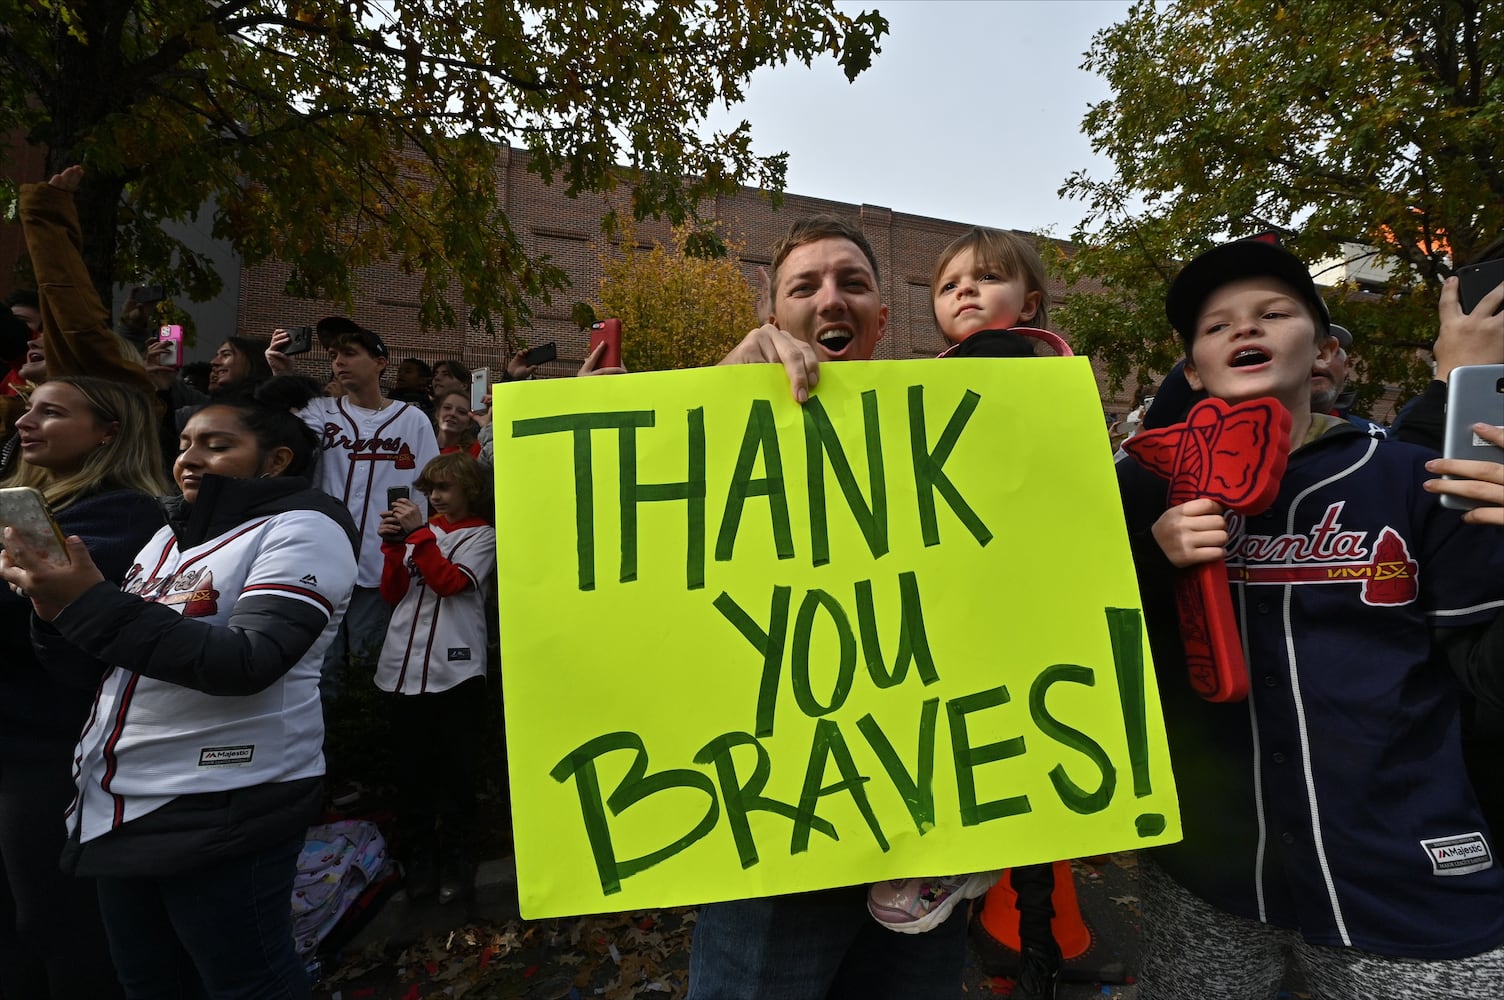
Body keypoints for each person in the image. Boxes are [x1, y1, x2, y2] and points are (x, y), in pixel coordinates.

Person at [1119, 237, 1504, 998]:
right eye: (1217, 325)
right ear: (1192, 371)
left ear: (1325, 348)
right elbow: (1075, 633)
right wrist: (1151, 562)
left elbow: (1483, 672)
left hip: (1405, 884)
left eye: (1273, 312)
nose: (1245, 330)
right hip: (1213, 879)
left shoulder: (1416, 476)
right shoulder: (1146, 487)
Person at [0, 377, 358, 1000]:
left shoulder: (304, 529)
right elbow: (98, 669)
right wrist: (53, 608)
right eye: (185, 443)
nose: (190, 458)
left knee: (247, 983)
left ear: (275, 461)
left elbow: (249, 661)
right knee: (149, 982)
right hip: (123, 802)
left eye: (216, 446)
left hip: (225, 802)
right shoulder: (168, 536)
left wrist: (90, 603)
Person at [688, 216, 970, 1000]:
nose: (830, 298)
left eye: (853, 282)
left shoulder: (953, 428)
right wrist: (719, 392)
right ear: (774, 317)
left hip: (924, 832)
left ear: (884, 316)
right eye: (804, 286)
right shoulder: (725, 402)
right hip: (776, 827)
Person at [864, 227, 1067, 1000]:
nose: (966, 293)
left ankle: (963, 850)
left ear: (1031, 301)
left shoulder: (1012, 357)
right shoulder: (960, 370)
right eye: (949, 286)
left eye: (986, 278)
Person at [0, 376, 166, 999]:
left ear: (108, 433)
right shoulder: (28, 503)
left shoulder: (122, 513)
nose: (26, 422)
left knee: (54, 922)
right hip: (18, 737)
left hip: (52, 747)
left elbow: (53, 627)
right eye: (27, 408)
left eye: (52, 413)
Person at [266, 318, 439, 708]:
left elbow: (430, 486)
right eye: (333, 355)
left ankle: (364, 744)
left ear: (379, 362)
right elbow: (278, 440)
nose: (338, 362)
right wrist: (281, 375)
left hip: (382, 563)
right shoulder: (318, 412)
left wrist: (416, 543)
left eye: (349, 353)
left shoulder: (412, 419)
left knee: (368, 660)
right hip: (321, 559)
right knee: (319, 667)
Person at [374, 452, 496, 903]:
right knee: (412, 776)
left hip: (456, 671)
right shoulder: (422, 535)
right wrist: (391, 549)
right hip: (402, 670)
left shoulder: (484, 536)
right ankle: (420, 862)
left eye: (446, 488)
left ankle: (460, 861)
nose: (437, 497)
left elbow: (450, 583)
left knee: (457, 775)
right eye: (432, 490)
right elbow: (392, 593)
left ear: (471, 491)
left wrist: (418, 537)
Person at [433, 389, 481, 457]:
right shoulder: (421, 444)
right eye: (447, 408)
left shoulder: (476, 451)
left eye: (461, 412)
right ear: (437, 413)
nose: (452, 413)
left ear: (470, 423)